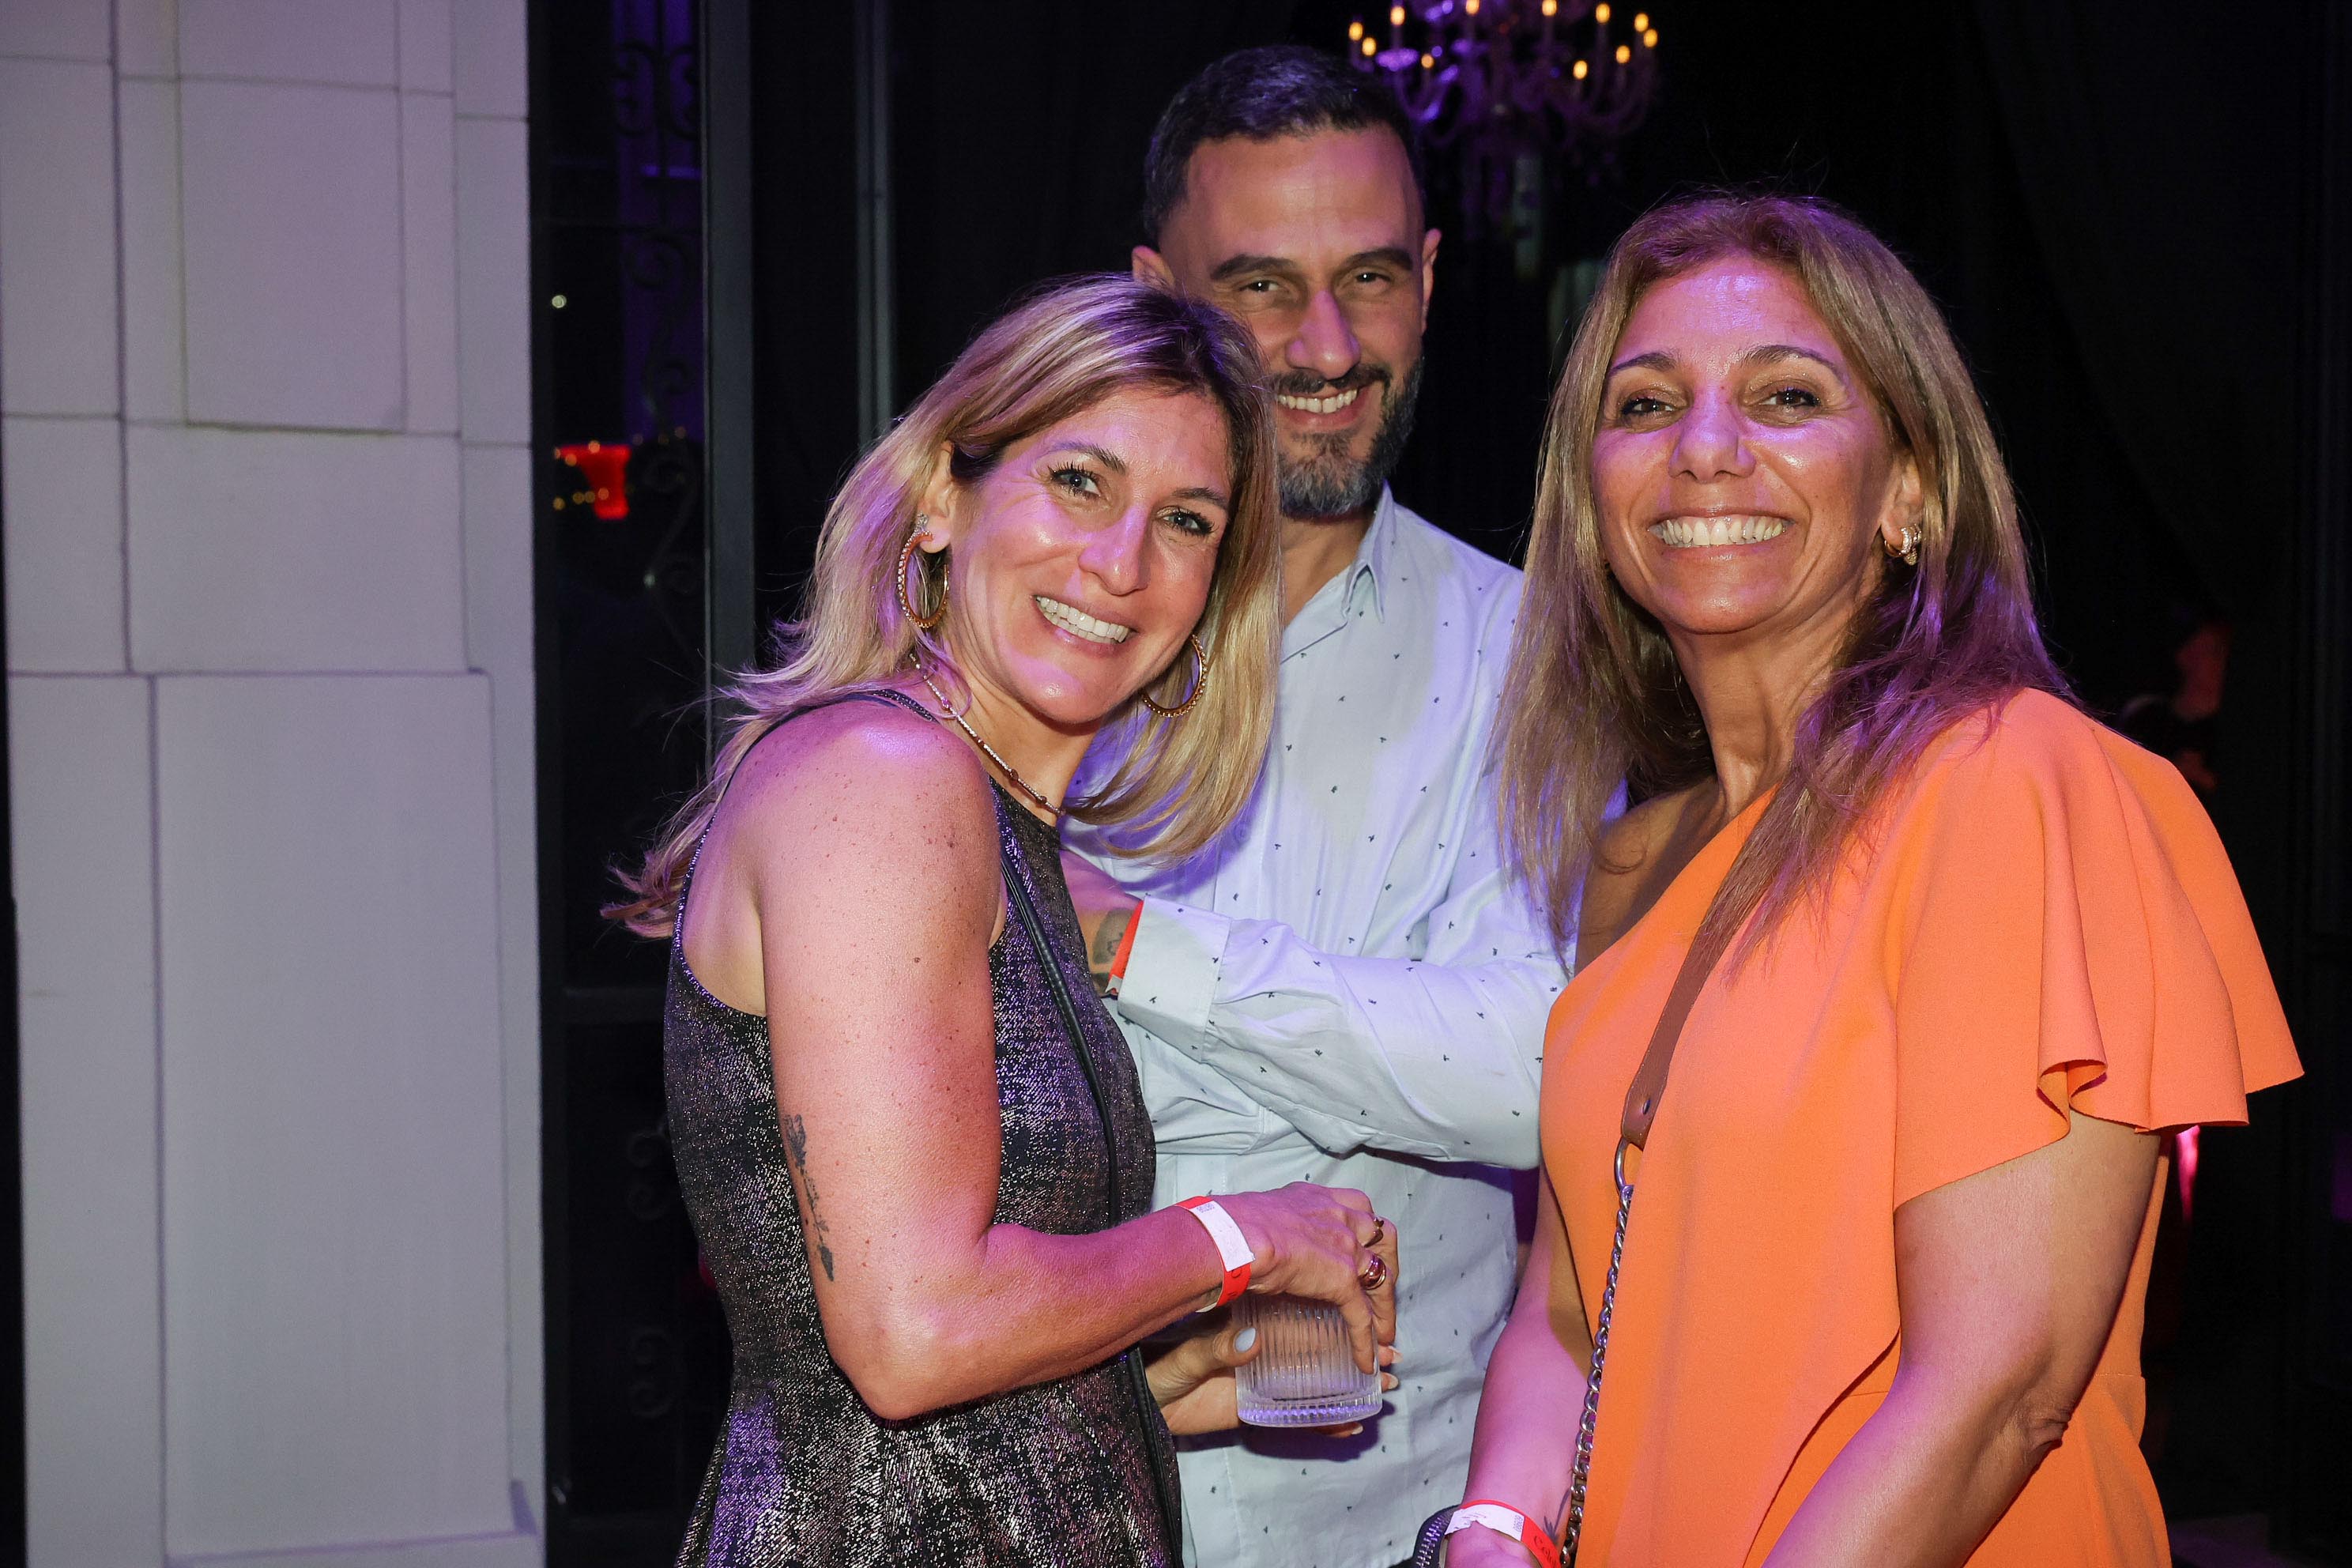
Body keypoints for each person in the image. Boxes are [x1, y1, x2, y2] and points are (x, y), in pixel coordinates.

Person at [1423, 191, 2302, 1568]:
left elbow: (1997, 1389)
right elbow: (1572, 1308)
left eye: (1786, 396)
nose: (1705, 448)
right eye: (1646, 405)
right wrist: (1488, 1529)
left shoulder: (2013, 783)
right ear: (1595, 499)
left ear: (1911, 492)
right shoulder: (1632, 860)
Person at [607, 275, 1400, 1568]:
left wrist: (1163, 1380)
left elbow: (918, 1426)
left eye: (1186, 521)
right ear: (941, 497)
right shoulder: (885, 779)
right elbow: (913, 1336)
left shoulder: (993, 819)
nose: (1121, 563)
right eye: (1079, 482)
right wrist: (1241, 1237)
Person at [1059, 47, 1568, 1568]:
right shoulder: (1049, 634)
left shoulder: (1536, 656)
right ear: (1157, 292)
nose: (1328, 344)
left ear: (1430, 278)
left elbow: (1534, 1070)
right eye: (1262, 287)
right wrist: (1382, 1044)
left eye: (1370, 279)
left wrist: (1131, 952)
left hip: (1395, 1527)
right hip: (1045, 1511)